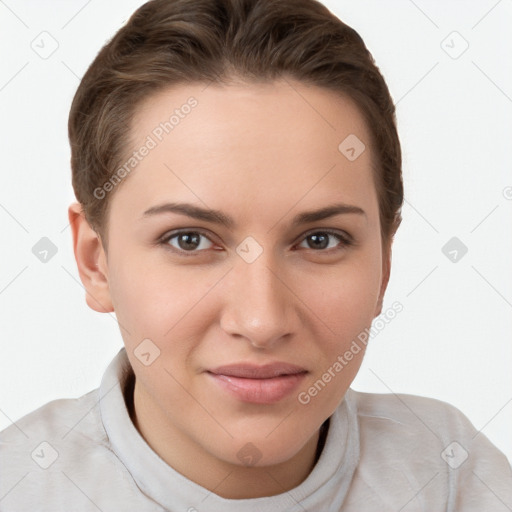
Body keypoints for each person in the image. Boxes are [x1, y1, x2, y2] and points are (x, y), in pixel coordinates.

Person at [1, 0, 511, 510]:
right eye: (190, 241)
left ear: (385, 267)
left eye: (320, 240)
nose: (262, 321)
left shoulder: (453, 478)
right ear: (96, 263)